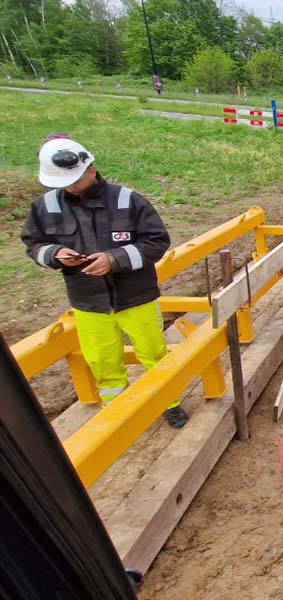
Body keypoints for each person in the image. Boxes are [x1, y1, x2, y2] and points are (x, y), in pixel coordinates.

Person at [21, 134, 188, 428]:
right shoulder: (45, 207)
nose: (70, 187)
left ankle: (169, 403)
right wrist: (56, 253)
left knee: (153, 353)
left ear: (91, 168)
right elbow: (33, 243)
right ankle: (118, 412)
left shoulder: (126, 201)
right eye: (63, 183)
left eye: (75, 179)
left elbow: (157, 242)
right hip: (88, 302)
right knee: (102, 360)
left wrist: (113, 259)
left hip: (135, 296)